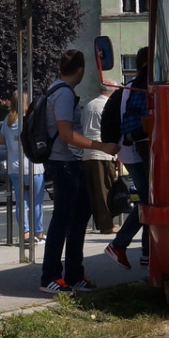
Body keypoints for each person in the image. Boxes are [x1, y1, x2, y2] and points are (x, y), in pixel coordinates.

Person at [40, 49, 117, 294]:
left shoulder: (58, 89)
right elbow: (65, 133)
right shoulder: (62, 93)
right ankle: (50, 276)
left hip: (72, 163)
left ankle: (74, 274)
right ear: (81, 70)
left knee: (78, 219)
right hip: (63, 163)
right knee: (63, 221)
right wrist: (99, 145)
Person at [103, 47, 154, 269]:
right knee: (148, 202)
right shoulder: (141, 86)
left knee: (148, 199)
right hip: (136, 148)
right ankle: (120, 244)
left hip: (130, 147)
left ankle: (146, 252)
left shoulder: (128, 87)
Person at [76, 83, 118, 234]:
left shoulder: (89, 105)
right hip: (103, 151)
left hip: (87, 152)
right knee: (104, 190)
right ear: (113, 91)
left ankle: (102, 223)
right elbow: (112, 130)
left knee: (94, 191)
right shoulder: (108, 106)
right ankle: (107, 225)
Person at [0, 95, 41, 242]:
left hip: (15, 167)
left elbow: (2, 139)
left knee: (21, 202)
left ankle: (25, 232)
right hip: (34, 166)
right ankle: (38, 232)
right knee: (36, 201)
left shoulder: (8, 120)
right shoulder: (30, 118)